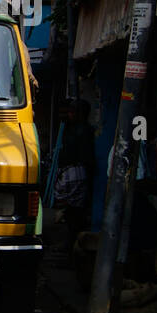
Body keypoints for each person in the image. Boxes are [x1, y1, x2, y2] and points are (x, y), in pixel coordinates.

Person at [55, 98, 95, 249]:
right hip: (72, 171)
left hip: (76, 171)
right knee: (72, 208)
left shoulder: (82, 131)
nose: (69, 114)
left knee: (74, 209)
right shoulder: (74, 129)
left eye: (72, 111)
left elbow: (84, 155)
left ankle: (71, 241)